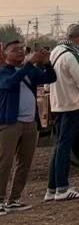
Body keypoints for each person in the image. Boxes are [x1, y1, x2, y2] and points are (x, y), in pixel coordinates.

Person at [0, 39, 56, 214]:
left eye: (21, 49)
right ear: (5, 54)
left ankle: (14, 199)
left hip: (30, 122)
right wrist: (29, 64)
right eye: (14, 50)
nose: (20, 52)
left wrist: (46, 64)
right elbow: (10, 83)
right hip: (9, 123)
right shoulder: (3, 72)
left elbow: (50, 78)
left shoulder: (29, 70)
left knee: (24, 162)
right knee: (4, 162)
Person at [45, 24, 79, 201]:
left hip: (58, 103)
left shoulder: (56, 51)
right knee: (65, 146)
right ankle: (62, 188)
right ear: (78, 37)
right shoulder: (72, 54)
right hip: (71, 104)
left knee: (59, 145)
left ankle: (52, 188)